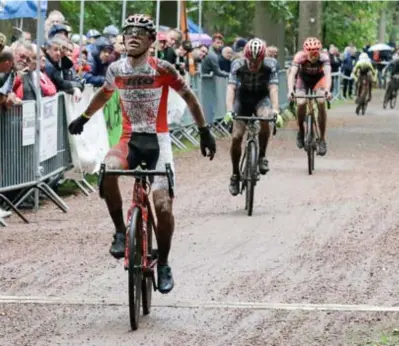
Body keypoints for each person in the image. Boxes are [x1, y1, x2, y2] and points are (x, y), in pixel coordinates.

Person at [68, 14, 216, 294]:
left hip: (157, 140)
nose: (133, 36)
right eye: (128, 32)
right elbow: (103, 93)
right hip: (129, 139)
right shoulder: (116, 69)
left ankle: (164, 263)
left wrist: (204, 130)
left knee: (162, 206)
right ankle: (121, 232)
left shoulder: (163, 68)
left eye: (140, 32)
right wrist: (84, 117)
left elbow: (189, 97)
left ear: (151, 40)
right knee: (108, 169)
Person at [224, 38, 280, 196]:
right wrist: (229, 110)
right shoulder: (238, 64)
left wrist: (275, 110)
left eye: (257, 62)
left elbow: (273, 88)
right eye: (250, 61)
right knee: (236, 137)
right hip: (242, 99)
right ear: (245, 57)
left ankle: (262, 155)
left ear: (263, 58)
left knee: (266, 117)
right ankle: (235, 175)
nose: (253, 65)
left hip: (261, 98)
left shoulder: (271, 65)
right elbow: (231, 88)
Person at [287, 37, 332, 156]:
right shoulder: (299, 57)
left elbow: (328, 75)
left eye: (316, 54)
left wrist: (327, 90)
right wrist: (291, 90)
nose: (313, 57)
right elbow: (292, 75)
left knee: (321, 101)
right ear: (306, 52)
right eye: (311, 54)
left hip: (319, 80)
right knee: (301, 103)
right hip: (303, 80)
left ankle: (322, 139)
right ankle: (301, 131)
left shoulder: (324, 57)